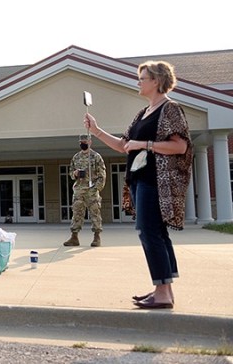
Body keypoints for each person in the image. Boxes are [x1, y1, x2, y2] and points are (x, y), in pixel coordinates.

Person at [84, 60, 192, 309]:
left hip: (155, 180)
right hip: (138, 179)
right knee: (155, 233)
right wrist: (98, 131)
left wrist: (145, 145)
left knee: (149, 232)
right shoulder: (143, 113)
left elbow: (180, 146)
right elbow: (124, 145)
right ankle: (163, 291)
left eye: (142, 78)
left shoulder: (170, 109)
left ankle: (162, 294)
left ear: (156, 81)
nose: (138, 82)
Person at [63, 135, 106, 247]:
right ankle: (74, 237)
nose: (82, 143)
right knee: (77, 212)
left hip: (91, 189)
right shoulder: (76, 157)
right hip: (79, 189)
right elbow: (71, 173)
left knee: (95, 213)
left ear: (90, 142)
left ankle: (97, 237)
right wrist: (75, 173)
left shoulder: (96, 157)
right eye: (81, 142)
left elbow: (102, 175)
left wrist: (96, 188)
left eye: (84, 141)